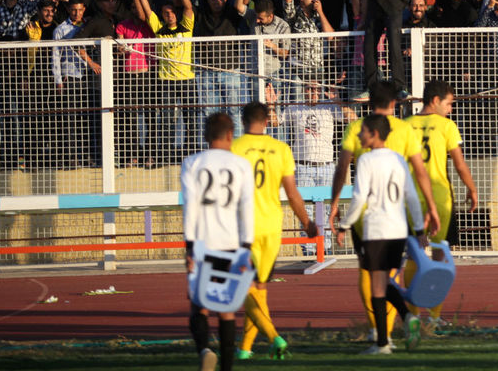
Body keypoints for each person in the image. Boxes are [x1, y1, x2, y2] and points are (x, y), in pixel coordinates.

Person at [329, 80, 439, 342]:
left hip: (366, 216)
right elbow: (419, 172)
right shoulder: (403, 129)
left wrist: (335, 206)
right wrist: (430, 207)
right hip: (397, 214)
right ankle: (393, 324)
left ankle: (378, 331)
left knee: (368, 273)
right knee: (388, 274)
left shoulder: (358, 127)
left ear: (368, 102)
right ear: (394, 103)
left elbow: (342, 167)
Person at [231, 101, 318, 360]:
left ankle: (274, 337)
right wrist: (306, 222)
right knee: (259, 290)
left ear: (242, 120)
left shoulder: (234, 149)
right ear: (267, 120)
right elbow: (292, 193)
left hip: (243, 228)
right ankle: (245, 350)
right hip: (271, 228)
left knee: (243, 290)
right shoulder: (281, 149)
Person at [340, 113, 427, 355]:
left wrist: (344, 224)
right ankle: (404, 318)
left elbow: (359, 198)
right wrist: (419, 228)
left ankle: (383, 343)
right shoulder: (399, 159)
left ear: (374, 134)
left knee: (377, 286)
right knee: (383, 282)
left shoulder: (367, 161)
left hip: (377, 228)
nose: (359, 135)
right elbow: (411, 196)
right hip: (398, 229)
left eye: (363, 131)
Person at [180, 111, 255, 371]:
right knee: (227, 309)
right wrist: (246, 246)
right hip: (232, 243)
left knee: (198, 306)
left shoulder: (192, 163)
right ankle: (227, 367)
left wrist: (189, 247)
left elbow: (190, 207)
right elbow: (247, 208)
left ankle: (204, 349)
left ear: (206, 136)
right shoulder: (241, 165)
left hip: (202, 243)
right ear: (230, 135)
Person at [404, 79, 478, 325]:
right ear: (435, 101)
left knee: (413, 255)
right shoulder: (446, 126)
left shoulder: (405, 125)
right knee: (439, 255)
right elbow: (459, 163)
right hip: (440, 196)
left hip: (412, 198)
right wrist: (471, 188)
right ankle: (434, 316)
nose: (451, 109)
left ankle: (413, 315)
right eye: (449, 103)